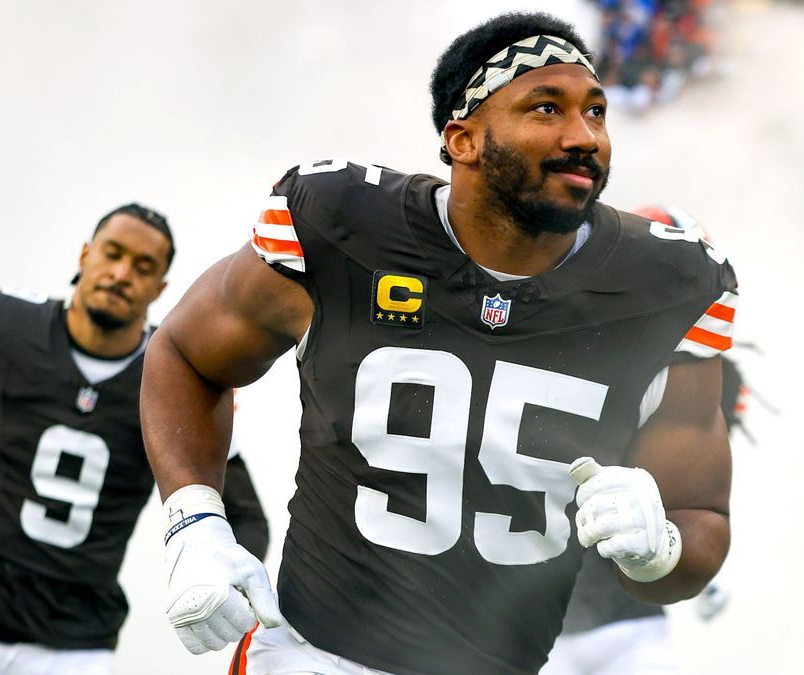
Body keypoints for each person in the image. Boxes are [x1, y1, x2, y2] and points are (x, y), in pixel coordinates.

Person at [141, 12, 738, 675]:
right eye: (547, 108)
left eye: (596, 112)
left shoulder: (669, 286)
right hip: (314, 656)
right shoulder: (342, 226)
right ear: (465, 139)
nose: (585, 136)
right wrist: (193, 521)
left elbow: (701, 516)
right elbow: (186, 355)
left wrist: (661, 548)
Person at [0, 204, 268, 675]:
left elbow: (247, 517)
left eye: (143, 267)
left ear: (160, 288)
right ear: (85, 255)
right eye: (112, 254)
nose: (122, 273)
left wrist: (222, 581)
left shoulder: (178, 375)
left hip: (79, 643)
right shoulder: (8, 329)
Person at [541, 205, 737, 675]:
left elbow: (695, 487)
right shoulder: (550, 333)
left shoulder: (701, 365)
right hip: (534, 619)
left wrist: (684, 552)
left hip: (628, 614)